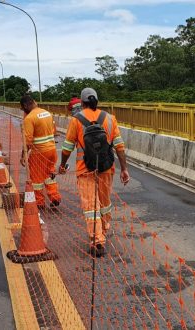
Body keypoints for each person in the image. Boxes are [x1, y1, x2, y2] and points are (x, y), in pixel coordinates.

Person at [59, 88, 129, 257]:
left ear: (82, 103)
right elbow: (119, 146)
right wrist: (124, 169)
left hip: (85, 170)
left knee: (91, 206)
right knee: (105, 203)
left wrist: (62, 165)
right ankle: (103, 230)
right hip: (106, 168)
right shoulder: (110, 119)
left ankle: (97, 241)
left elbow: (67, 147)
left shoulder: (76, 120)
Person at [21, 94, 62, 209]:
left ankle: (39, 202)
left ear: (25, 105)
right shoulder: (47, 113)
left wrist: (23, 155)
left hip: (39, 153)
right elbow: (54, 132)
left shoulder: (29, 118)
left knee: (36, 179)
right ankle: (55, 197)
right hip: (52, 150)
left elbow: (27, 140)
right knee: (50, 176)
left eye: (23, 108)